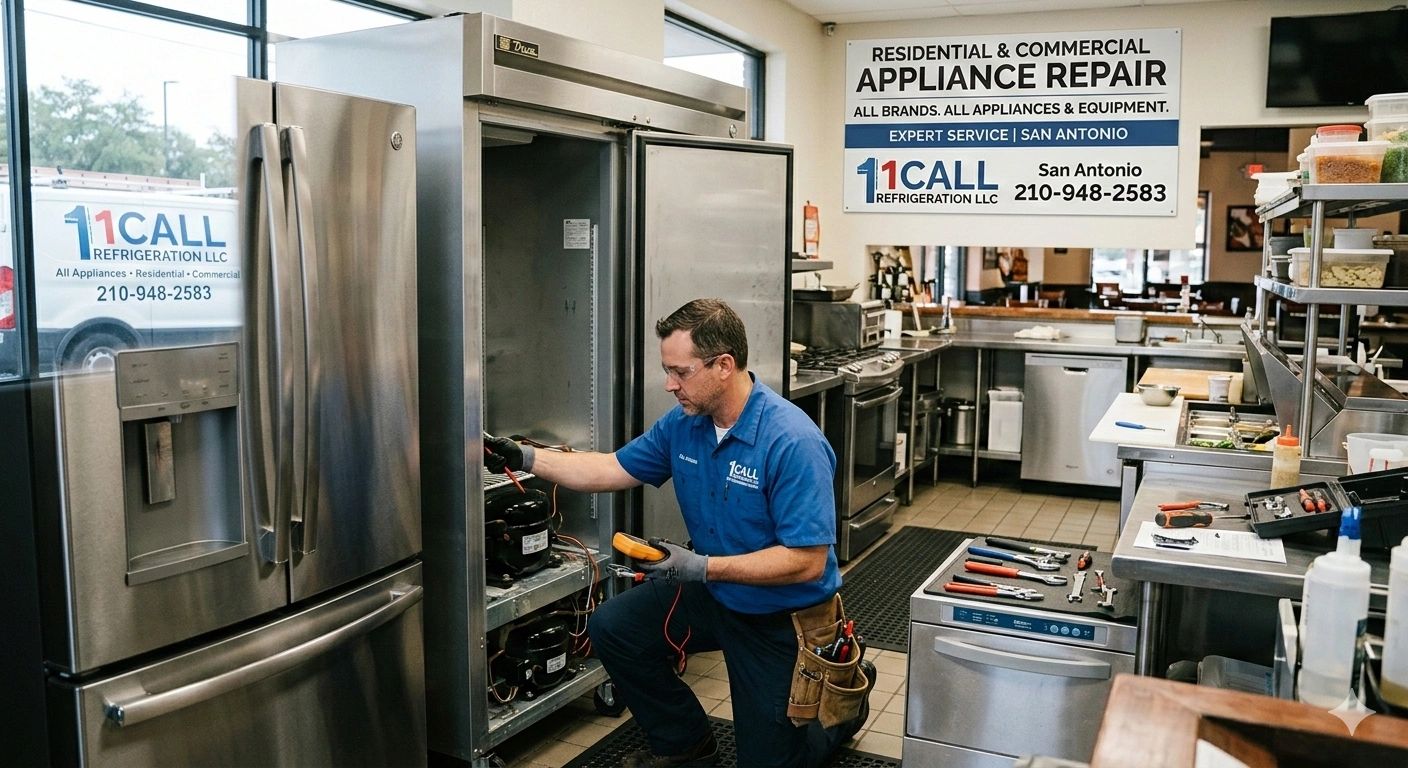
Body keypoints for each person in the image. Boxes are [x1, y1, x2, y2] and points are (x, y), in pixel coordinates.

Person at [485, 298, 873, 768]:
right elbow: (610, 468)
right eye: (668, 370)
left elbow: (807, 560)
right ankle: (685, 745)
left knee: (773, 760)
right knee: (614, 628)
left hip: (782, 614)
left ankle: (844, 709)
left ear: (724, 365)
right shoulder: (686, 425)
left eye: (681, 372)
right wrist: (524, 458)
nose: (670, 384)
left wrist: (700, 566)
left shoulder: (792, 441)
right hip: (714, 592)